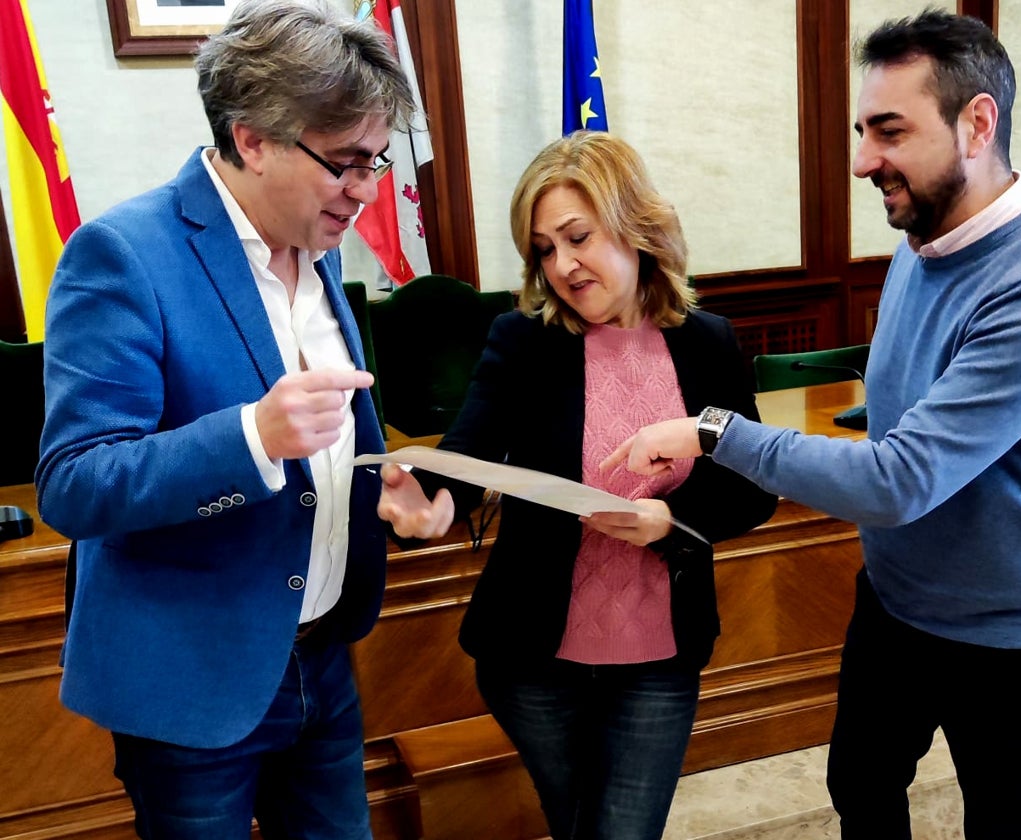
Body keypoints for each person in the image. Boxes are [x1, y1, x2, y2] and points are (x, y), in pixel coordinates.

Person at [602, 9, 1021, 840]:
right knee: (861, 786)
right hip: (896, 605)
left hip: (1010, 638)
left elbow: (898, 478)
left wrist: (713, 431)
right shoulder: (921, 244)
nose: (860, 160)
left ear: (976, 124)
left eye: (889, 131)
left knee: (1007, 826)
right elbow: (899, 426)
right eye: (860, 129)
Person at [35, 2, 414, 837]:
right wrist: (252, 438)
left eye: (374, 162)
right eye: (345, 163)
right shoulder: (123, 253)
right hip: (190, 678)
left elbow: (336, 430)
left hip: (323, 653)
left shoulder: (318, 244)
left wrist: (388, 489)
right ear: (253, 139)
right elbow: (74, 483)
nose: (363, 191)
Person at [376, 130, 777, 840]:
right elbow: (467, 457)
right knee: (577, 827)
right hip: (533, 658)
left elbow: (753, 487)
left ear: (633, 224)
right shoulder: (522, 341)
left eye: (577, 237)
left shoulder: (707, 341)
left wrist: (670, 518)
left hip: (658, 656)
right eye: (542, 248)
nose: (561, 265)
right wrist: (431, 505)